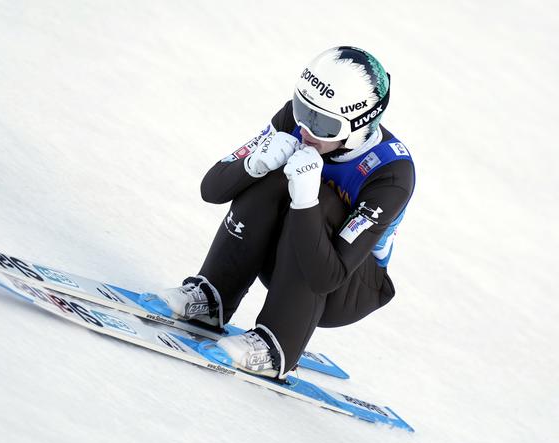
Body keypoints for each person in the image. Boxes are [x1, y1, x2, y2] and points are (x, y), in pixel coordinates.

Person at [151, 46, 415, 380]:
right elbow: (212, 189)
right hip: (290, 255)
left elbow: (328, 277)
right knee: (273, 174)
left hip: (345, 286)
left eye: (323, 124)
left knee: (320, 193)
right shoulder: (295, 121)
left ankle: (279, 343)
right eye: (303, 108)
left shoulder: (391, 174)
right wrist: (253, 164)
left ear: (358, 126)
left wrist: (307, 200)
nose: (305, 128)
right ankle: (213, 295)